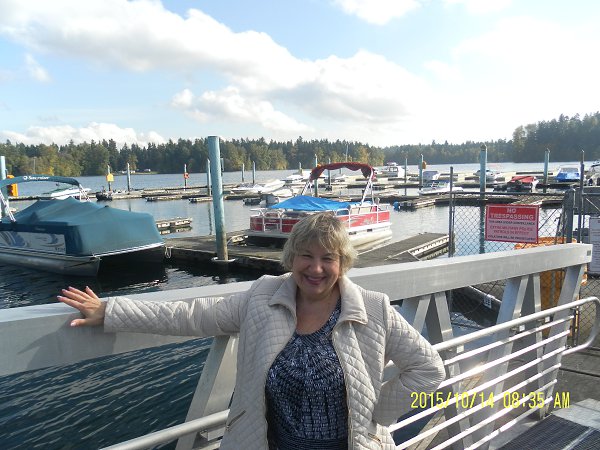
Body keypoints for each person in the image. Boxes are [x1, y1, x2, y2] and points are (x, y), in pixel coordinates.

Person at [58, 212, 445, 450]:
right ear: (291, 257)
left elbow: (429, 369)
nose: (316, 268)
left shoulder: (373, 309)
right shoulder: (262, 298)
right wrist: (111, 311)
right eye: (306, 256)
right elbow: (192, 315)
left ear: (343, 263)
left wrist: (376, 413)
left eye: (328, 258)